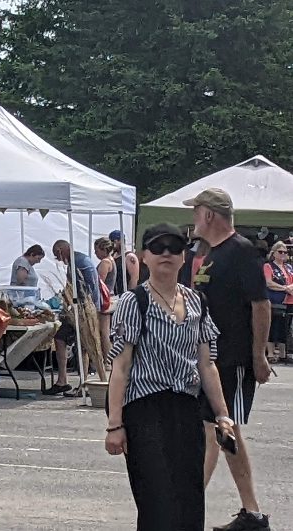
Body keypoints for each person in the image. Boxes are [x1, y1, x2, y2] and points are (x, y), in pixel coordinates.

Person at [106, 223, 234, 531]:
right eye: (158, 247)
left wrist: (223, 415)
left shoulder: (197, 302)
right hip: (145, 410)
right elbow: (120, 367)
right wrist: (114, 424)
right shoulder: (133, 302)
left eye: (175, 247)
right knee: (156, 499)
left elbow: (207, 365)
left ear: (183, 256)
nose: (166, 253)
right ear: (144, 256)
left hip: (187, 408)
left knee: (189, 497)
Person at [188, 188, 272, 530]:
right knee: (222, 432)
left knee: (218, 430)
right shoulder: (211, 254)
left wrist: (258, 356)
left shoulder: (241, 251)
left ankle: (186, 508)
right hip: (208, 357)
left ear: (209, 214)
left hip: (232, 357)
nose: (193, 218)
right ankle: (252, 514)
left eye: (196, 211)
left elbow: (261, 304)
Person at [43, 240, 102, 396]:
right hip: (82, 308)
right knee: (61, 337)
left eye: (57, 255)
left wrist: (75, 305)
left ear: (62, 250)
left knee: (83, 346)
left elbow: (84, 289)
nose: (59, 259)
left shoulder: (78, 263)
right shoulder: (79, 260)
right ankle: (64, 380)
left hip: (83, 310)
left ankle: (83, 384)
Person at [263, 241, 293, 364]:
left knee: (285, 327)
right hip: (275, 300)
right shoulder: (268, 266)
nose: (283, 254)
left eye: (285, 252)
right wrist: (284, 288)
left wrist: (289, 287)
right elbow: (268, 283)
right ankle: (270, 353)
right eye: (280, 252)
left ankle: (283, 353)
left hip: (289, 301)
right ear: (273, 253)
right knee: (272, 326)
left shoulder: (289, 268)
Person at [95, 237, 116, 366]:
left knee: (104, 332)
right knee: (105, 331)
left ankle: (108, 360)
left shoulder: (105, 262)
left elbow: (99, 282)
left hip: (105, 299)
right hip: (110, 297)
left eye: (97, 250)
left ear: (103, 249)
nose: (95, 253)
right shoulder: (111, 260)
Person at [109, 230, 140, 295]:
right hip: (115, 294)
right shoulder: (113, 256)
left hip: (126, 293)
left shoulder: (129, 256)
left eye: (114, 241)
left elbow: (134, 278)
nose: (112, 244)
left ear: (120, 241)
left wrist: (129, 295)